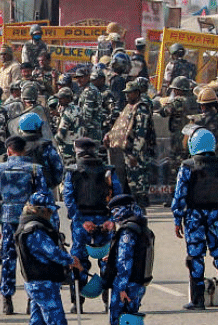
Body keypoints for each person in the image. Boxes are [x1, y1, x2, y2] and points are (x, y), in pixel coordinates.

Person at [173, 129, 218, 309]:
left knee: (195, 257)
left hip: (194, 217)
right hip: (216, 216)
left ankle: (197, 300)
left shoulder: (188, 166)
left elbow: (180, 195)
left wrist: (177, 219)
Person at [0, 136, 51, 315]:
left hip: (8, 219)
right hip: (30, 220)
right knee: (31, 259)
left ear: (9, 150)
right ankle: (31, 300)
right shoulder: (35, 169)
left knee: (8, 258)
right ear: (24, 150)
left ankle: (7, 300)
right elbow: (44, 198)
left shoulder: (0, 169)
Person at [14, 191, 83, 325]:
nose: (51, 214)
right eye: (49, 211)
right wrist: (72, 261)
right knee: (57, 321)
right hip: (42, 283)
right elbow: (52, 252)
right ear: (41, 210)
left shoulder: (28, 225)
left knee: (37, 320)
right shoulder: (35, 230)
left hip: (37, 282)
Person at [63, 138, 121, 281]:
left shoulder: (72, 171)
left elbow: (69, 199)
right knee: (108, 261)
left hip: (82, 223)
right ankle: (108, 297)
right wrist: (112, 220)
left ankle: (77, 300)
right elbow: (118, 198)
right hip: (105, 222)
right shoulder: (108, 171)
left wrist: (80, 221)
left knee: (78, 262)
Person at [101, 194, 153, 325]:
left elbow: (125, 262)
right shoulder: (142, 227)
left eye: (115, 211)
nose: (114, 215)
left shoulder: (127, 231)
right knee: (131, 319)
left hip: (127, 284)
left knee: (119, 320)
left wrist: (121, 288)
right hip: (139, 283)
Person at [105, 77, 155, 207]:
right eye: (126, 93)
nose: (127, 95)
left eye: (130, 92)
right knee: (128, 185)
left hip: (137, 153)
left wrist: (135, 154)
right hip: (126, 152)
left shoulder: (141, 108)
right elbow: (120, 126)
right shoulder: (128, 107)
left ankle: (140, 213)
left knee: (138, 188)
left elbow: (141, 133)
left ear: (137, 93)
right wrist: (109, 136)